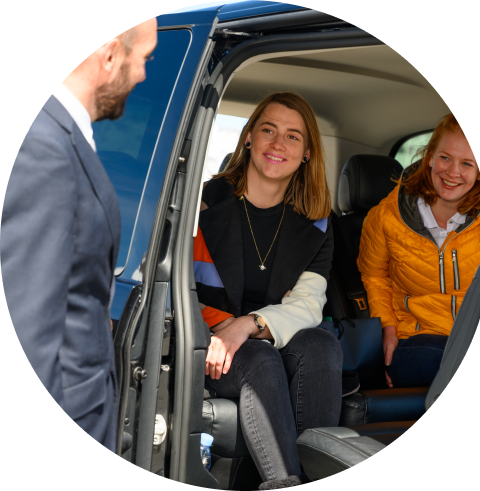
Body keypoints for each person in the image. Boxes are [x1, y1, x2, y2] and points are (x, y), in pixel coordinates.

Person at [0, 18, 157, 451]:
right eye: (143, 57)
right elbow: (29, 327)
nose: (144, 73)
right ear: (109, 55)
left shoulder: (59, 139)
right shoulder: (45, 151)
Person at [195, 92, 343, 489]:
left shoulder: (316, 222)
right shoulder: (204, 204)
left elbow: (308, 304)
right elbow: (182, 291)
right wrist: (229, 329)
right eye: (269, 130)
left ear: (307, 152)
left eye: (293, 137)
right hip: (210, 345)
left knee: (322, 345)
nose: (279, 144)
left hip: (263, 336)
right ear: (248, 138)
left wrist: (250, 323)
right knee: (259, 356)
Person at [357, 113, 480, 388]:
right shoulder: (385, 217)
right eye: (445, 158)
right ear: (430, 157)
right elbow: (374, 278)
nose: (453, 172)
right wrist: (386, 328)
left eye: (467, 163)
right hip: (413, 339)